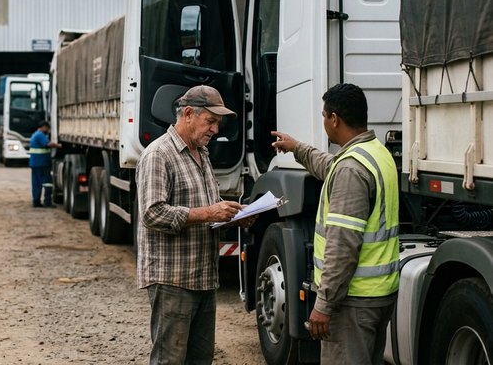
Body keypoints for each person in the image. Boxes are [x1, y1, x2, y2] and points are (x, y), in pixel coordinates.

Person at [272, 83, 399, 365]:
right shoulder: (376, 154)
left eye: (323, 115)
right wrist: (297, 148)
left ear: (334, 119)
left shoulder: (351, 169)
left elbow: (342, 245)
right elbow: (331, 166)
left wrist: (324, 305)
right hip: (378, 295)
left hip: (352, 301)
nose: (324, 120)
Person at [136, 85, 255, 364]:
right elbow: (152, 213)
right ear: (188, 114)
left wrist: (234, 215)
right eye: (210, 121)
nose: (215, 129)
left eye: (217, 123)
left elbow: (208, 209)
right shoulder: (159, 154)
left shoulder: (201, 154)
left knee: (201, 359)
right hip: (173, 280)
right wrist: (209, 213)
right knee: (170, 360)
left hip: (203, 278)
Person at [28, 121, 60, 208]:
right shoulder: (40, 135)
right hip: (41, 163)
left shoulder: (35, 134)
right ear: (43, 127)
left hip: (36, 163)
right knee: (47, 182)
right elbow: (48, 144)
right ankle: (47, 202)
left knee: (36, 183)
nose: (48, 130)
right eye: (47, 128)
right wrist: (58, 146)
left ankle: (36, 201)